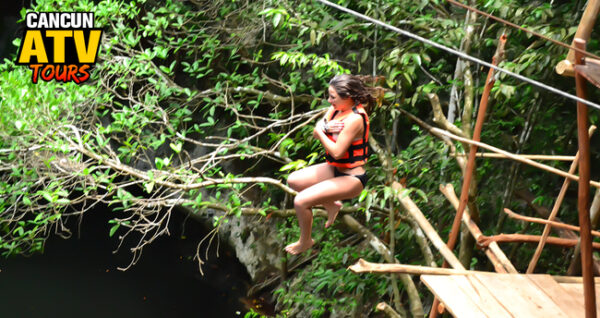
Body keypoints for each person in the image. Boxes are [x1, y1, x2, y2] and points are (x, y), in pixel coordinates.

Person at [285, 74, 372, 255]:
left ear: (347, 97)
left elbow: (337, 151)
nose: (329, 100)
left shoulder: (355, 119)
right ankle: (331, 204)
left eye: (333, 97)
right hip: (334, 169)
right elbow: (321, 123)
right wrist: (323, 128)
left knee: (301, 202)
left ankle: (305, 241)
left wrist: (320, 133)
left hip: (352, 178)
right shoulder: (337, 109)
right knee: (293, 180)